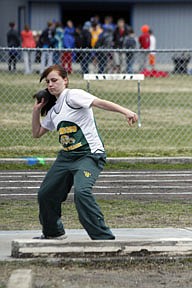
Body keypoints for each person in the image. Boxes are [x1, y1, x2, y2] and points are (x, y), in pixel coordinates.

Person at [32, 64, 138, 240]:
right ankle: (53, 232)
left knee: (82, 192)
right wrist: (36, 111)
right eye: (48, 82)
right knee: (46, 193)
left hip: (89, 155)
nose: (50, 85)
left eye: (54, 80)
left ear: (65, 80)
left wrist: (125, 111)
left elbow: (99, 102)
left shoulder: (73, 96)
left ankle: (103, 237)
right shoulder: (53, 110)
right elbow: (36, 133)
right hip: (66, 157)